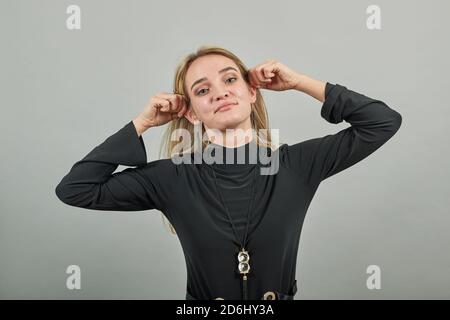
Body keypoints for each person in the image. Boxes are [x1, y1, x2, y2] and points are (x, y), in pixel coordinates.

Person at [55, 45, 402, 300]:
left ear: (252, 92)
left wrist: (298, 82)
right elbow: (76, 189)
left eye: (230, 79)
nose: (219, 92)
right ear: (191, 114)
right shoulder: (172, 178)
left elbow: (382, 122)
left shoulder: (296, 165)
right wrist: (142, 122)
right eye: (202, 90)